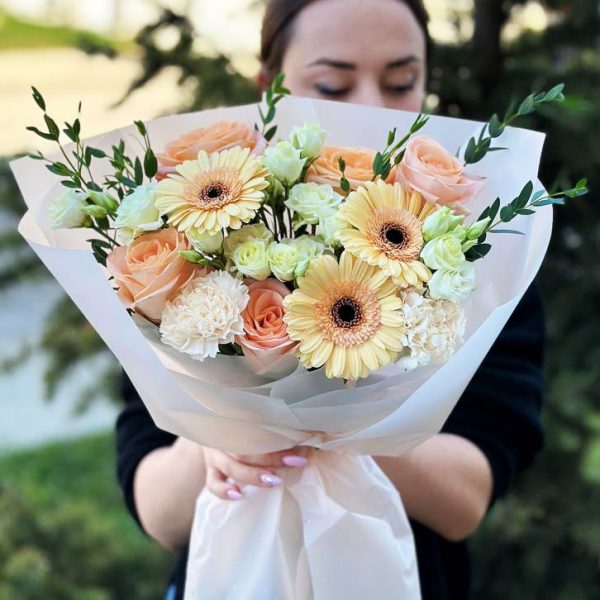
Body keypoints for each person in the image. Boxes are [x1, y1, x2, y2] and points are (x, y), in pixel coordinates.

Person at [116, 1, 545, 598]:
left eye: (401, 81)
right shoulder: (193, 244)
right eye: (332, 83)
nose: (370, 105)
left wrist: (324, 420)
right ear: (270, 87)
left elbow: (466, 498)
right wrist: (223, 439)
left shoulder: (474, 257)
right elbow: (158, 511)